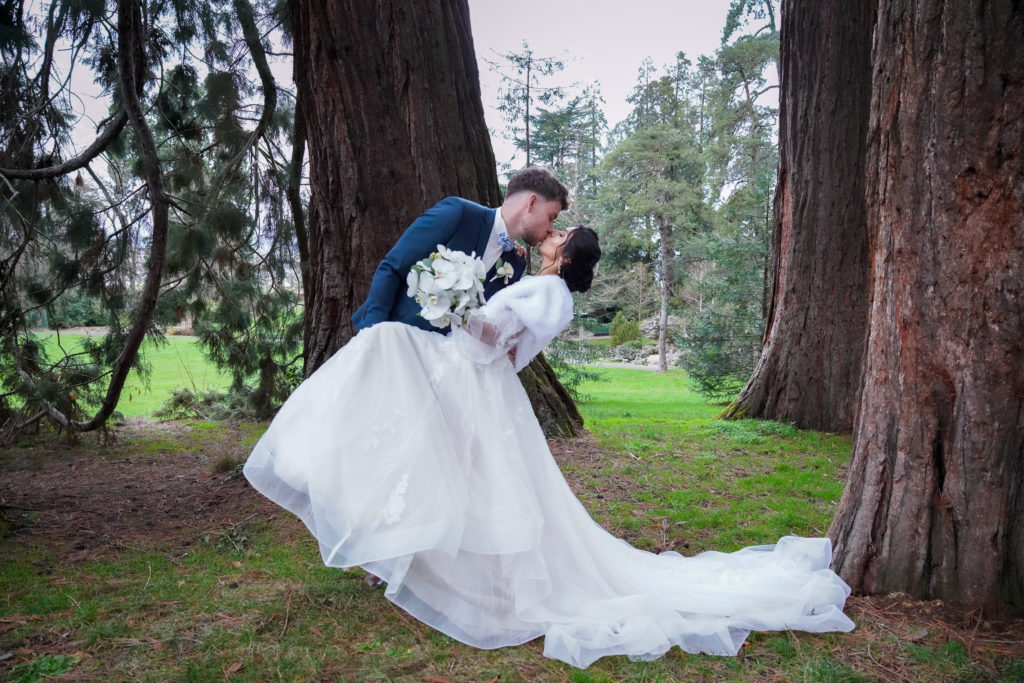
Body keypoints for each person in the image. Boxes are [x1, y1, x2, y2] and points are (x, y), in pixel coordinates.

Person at [243, 227, 854, 669]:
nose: (550, 234)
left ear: (565, 253)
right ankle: (414, 552)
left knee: (463, 469)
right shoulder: (542, 286)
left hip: (472, 381)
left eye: (559, 233)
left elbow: (495, 339)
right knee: (446, 469)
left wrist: (456, 307)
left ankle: (444, 565)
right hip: (471, 384)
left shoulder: (550, 294)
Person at [351, 166, 568, 334]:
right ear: (531, 202)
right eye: (551, 217)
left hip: (441, 367)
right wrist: (374, 333)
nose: (551, 229)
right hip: (395, 335)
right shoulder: (459, 214)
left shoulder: (515, 263)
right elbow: (393, 266)